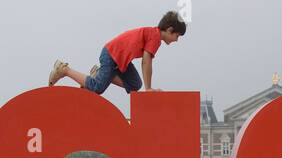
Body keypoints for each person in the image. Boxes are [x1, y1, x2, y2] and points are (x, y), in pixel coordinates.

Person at [48, 11, 186, 97]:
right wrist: (149, 88)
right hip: (111, 55)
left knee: (135, 85)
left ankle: (101, 74)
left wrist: (145, 87)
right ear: (169, 30)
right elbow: (146, 61)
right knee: (97, 87)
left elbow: (145, 60)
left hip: (119, 59)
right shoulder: (155, 37)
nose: (176, 40)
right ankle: (64, 69)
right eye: (177, 36)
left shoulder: (153, 34)